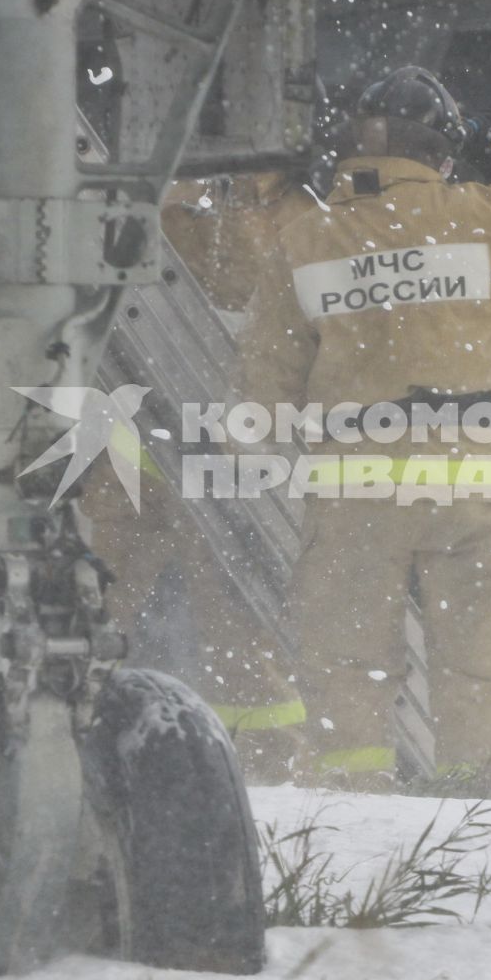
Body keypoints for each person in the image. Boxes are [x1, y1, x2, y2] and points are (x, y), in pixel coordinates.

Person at [239, 66, 491, 780]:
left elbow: (265, 385)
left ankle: (354, 814)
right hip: (471, 468)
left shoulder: (307, 239)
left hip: (357, 476)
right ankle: (489, 813)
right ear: (442, 155)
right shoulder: (482, 213)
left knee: (345, 664)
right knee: (484, 663)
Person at [81, 171, 321, 776]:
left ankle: (267, 767)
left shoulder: (293, 210)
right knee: (89, 605)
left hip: (226, 448)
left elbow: (243, 284)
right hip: (147, 442)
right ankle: (64, 737)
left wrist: (208, 206)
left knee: (239, 627)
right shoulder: (185, 192)